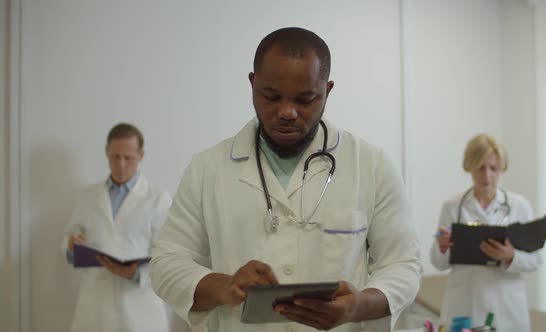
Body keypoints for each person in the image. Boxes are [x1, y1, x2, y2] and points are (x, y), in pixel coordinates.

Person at [149, 27, 422, 332]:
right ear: (252, 84)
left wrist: (358, 306)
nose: (288, 112)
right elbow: (166, 264)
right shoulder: (207, 169)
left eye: (306, 99)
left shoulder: (371, 165)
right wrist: (224, 287)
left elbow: (403, 266)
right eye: (271, 96)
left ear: (327, 91)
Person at [62, 123, 173, 332]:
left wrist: (135, 274)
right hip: (95, 308)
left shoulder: (158, 199)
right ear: (106, 152)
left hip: (139, 311)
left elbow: (169, 256)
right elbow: (70, 236)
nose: (121, 164)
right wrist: (71, 246)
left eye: (128, 158)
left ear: (141, 155)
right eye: (115, 157)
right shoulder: (88, 196)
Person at [430, 134, 542, 332]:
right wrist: (442, 246)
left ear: (501, 169)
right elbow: (438, 262)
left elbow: (535, 260)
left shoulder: (519, 205)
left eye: (493, 168)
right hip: (464, 305)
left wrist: (511, 256)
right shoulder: (452, 207)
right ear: (470, 167)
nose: (487, 175)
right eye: (480, 167)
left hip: (506, 307)